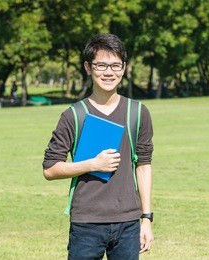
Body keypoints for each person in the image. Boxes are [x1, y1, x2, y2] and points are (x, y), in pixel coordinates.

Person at [42, 33, 154, 260]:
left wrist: (146, 219)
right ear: (88, 67)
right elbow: (50, 169)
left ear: (124, 68)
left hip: (128, 223)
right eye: (101, 65)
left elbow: (143, 167)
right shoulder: (74, 115)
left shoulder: (138, 112)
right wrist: (93, 164)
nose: (109, 72)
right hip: (86, 223)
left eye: (115, 65)